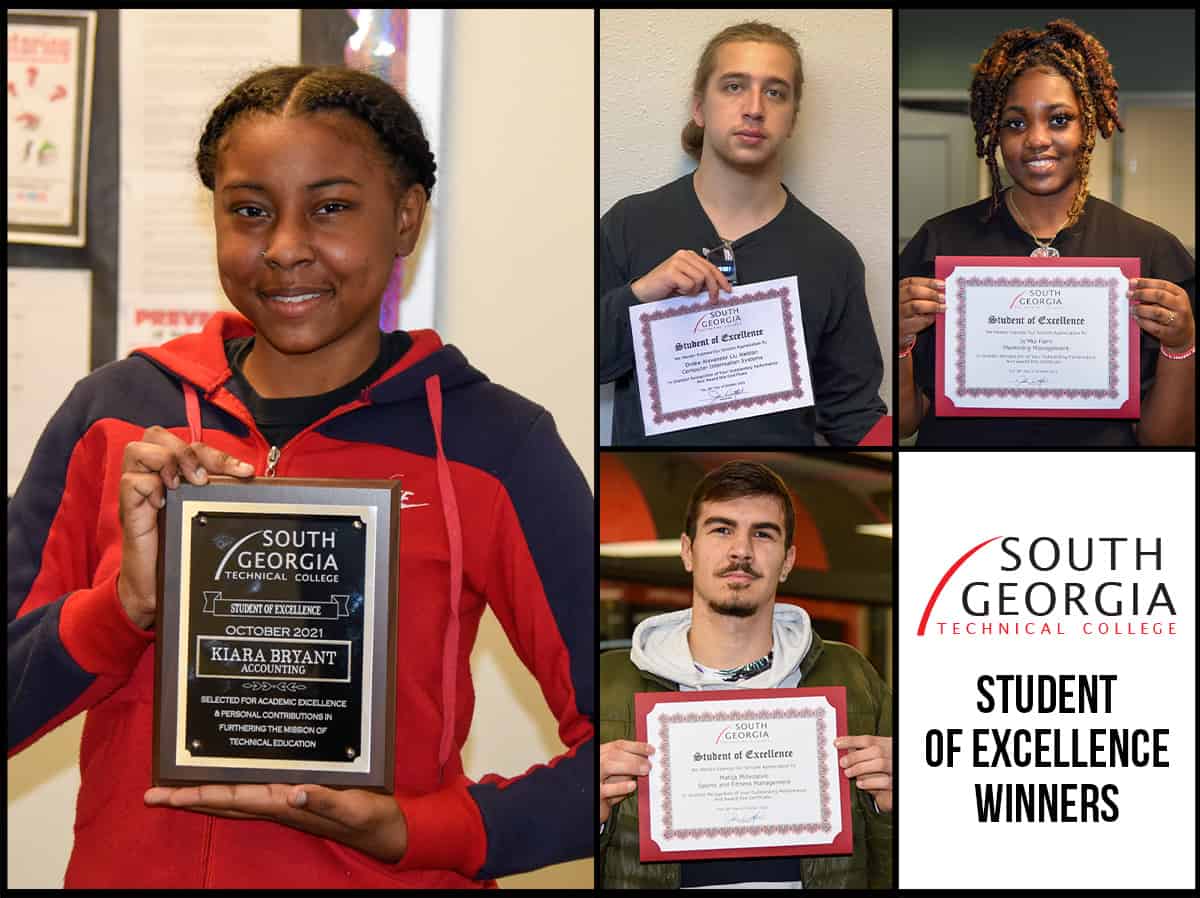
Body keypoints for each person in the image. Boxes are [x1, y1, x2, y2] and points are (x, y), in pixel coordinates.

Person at [7, 66, 594, 888]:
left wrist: (427, 831)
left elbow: (627, 754)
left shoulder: (496, 445)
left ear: (406, 219)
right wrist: (125, 608)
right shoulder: (114, 417)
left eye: (331, 208)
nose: (284, 247)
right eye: (249, 211)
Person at [898, 19, 1196, 446]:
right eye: (1015, 124)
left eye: (1059, 120)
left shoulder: (1153, 253)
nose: (1037, 140)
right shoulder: (940, 243)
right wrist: (902, 338)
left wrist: (1182, 344)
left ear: (1088, 125)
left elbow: (1166, 443)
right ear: (994, 134)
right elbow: (907, 422)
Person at [598, 461, 893, 889]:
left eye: (762, 533)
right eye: (721, 529)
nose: (741, 550)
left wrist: (895, 805)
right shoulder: (612, 682)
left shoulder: (851, 677)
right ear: (687, 550)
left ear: (788, 560)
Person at [599, 21, 887, 447]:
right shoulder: (630, 223)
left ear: (792, 118)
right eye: (734, 86)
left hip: (779, 485)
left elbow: (852, 414)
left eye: (775, 92)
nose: (754, 108)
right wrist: (642, 293)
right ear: (699, 107)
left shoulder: (832, 256)